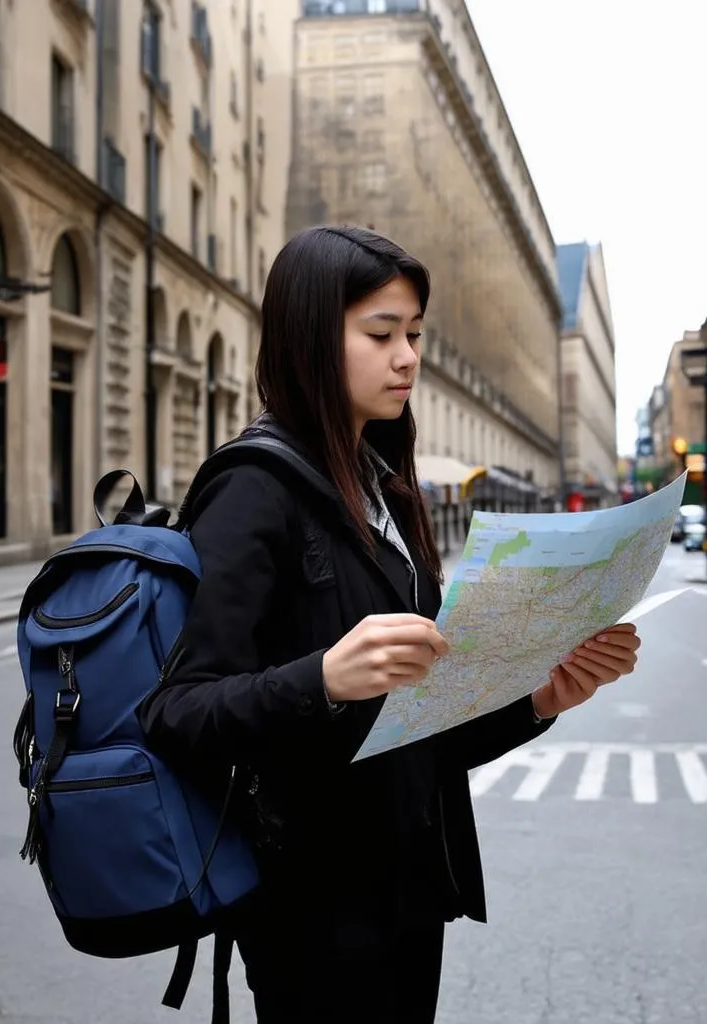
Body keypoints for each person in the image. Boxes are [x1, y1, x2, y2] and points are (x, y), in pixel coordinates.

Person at [139, 226, 641, 1023]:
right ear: (310, 337)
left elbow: (416, 729)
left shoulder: (387, 493)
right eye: (381, 334)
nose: (408, 356)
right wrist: (322, 679)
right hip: (309, 909)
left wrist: (539, 698)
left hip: (406, 891)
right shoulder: (252, 489)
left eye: (413, 334)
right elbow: (175, 713)